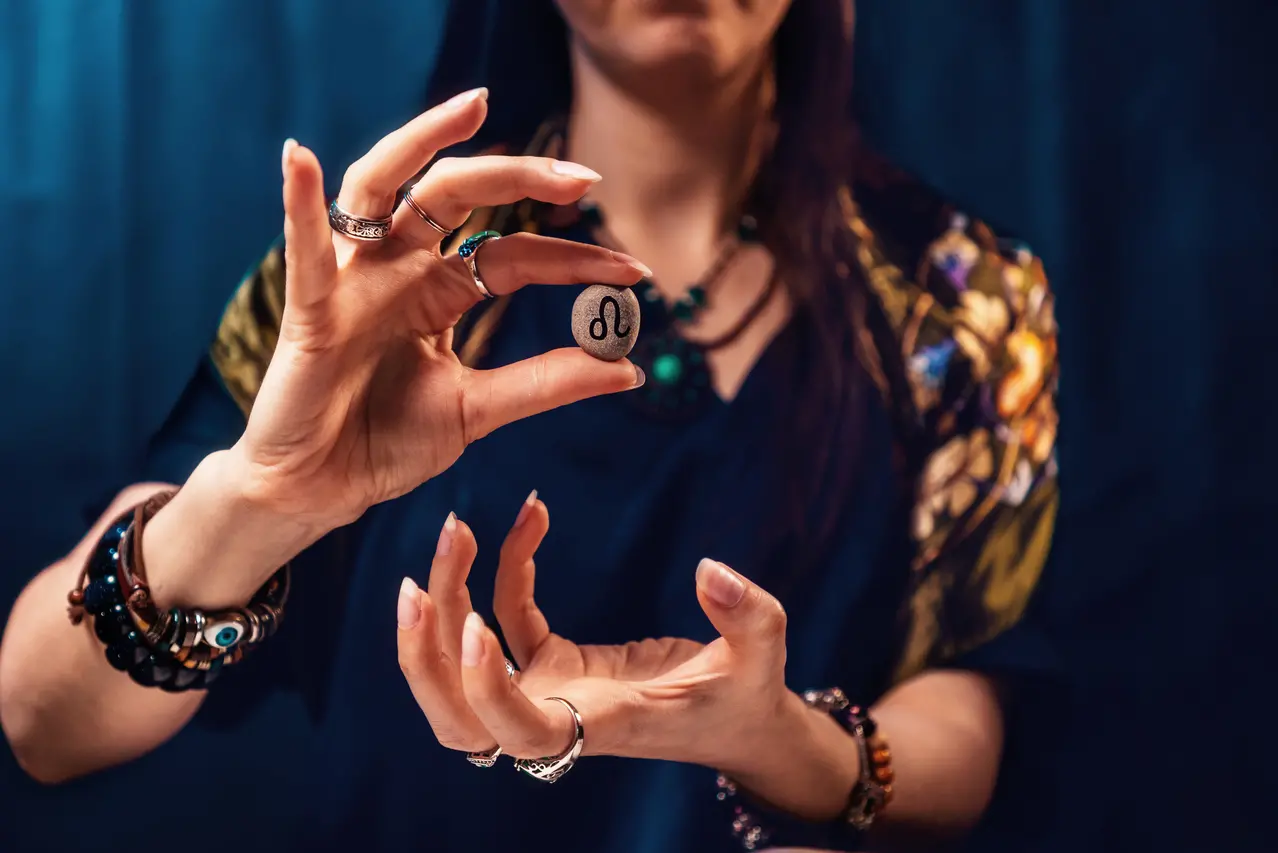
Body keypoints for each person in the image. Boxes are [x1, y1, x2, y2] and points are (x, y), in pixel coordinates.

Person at [0, 1, 1060, 851]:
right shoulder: (365, 288)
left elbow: (965, 705)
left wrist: (794, 749)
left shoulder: (964, 306)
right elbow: (41, 721)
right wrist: (255, 503)